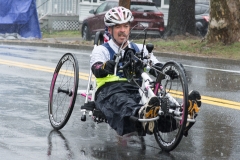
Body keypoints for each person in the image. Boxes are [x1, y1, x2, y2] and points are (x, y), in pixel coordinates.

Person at [90, 6, 201, 136]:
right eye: (118, 27)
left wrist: (167, 70)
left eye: (125, 26)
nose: (122, 30)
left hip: (137, 89)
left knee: (158, 99)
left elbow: (154, 66)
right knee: (123, 102)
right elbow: (96, 68)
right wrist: (104, 67)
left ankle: (180, 117)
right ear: (110, 29)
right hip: (110, 90)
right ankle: (141, 116)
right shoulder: (102, 50)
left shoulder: (140, 49)